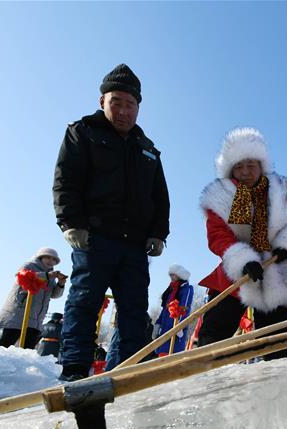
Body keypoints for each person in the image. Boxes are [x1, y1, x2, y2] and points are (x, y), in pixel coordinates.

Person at [53, 63, 170, 381]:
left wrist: (158, 233)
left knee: (134, 309)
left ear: (138, 108)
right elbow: (66, 181)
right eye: (116, 102)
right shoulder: (82, 133)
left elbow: (160, 197)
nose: (123, 111)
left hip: (135, 244)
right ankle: (75, 368)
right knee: (84, 301)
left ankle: (125, 372)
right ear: (102, 101)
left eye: (130, 104)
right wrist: (70, 222)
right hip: (94, 237)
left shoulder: (148, 150)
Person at [196, 128, 287, 360]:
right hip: (234, 272)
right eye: (239, 166)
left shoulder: (281, 192)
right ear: (230, 169)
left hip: (273, 268)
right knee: (214, 335)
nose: (245, 172)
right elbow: (218, 234)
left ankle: (276, 371)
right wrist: (242, 260)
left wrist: (286, 246)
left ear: (261, 165)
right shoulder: (221, 197)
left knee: (274, 342)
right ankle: (206, 371)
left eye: (251, 165)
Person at [0, 247, 66, 349]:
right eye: (48, 257)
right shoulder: (30, 265)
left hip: (36, 318)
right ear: (40, 257)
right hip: (19, 314)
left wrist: (60, 284)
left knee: (28, 350)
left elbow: (54, 295)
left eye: (54, 259)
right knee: (5, 344)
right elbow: (23, 277)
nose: (51, 261)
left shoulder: (51, 275)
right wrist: (46, 275)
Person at [154, 264, 194, 355]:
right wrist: (158, 323)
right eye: (170, 275)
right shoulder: (170, 290)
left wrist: (180, 326)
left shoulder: (187, 289)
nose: (171, 277)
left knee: (174, 352)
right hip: (165, 327)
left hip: (176, 327)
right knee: (162, 352)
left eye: (173, 275)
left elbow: (184, 308)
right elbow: (164, 310)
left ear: (180, 275)